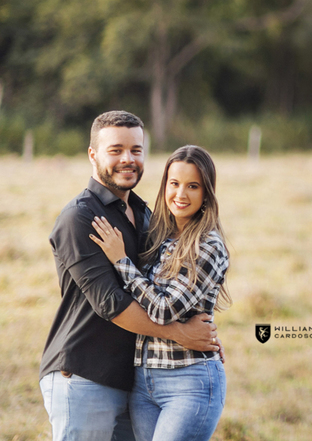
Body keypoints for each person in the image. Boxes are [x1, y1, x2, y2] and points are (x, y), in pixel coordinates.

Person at [39, 110, 219, 441]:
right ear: (93, 155)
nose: (128, 159)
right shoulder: (80, 218)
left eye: (136, 150)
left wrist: (204, 337)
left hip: (135, 378)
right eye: (116, 150)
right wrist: (181, 334)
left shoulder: (145, 214)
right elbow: (112, 303)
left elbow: (168, 287)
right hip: (84, 376)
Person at [89, 144, 230, 441]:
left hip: (189, 380)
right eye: (174, 183)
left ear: (206, 193)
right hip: (143, 382)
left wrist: (121, 261)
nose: (181, 194)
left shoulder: (208, 245)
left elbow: (163, 310)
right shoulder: (156, 236)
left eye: (193, 186)